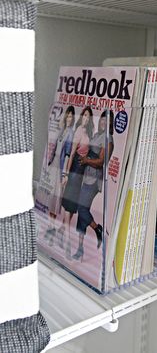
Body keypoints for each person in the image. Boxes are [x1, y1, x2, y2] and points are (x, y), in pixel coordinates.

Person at [72, 110, 114, 261]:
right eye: (102, 119)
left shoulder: (108, 139)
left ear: (111, 123)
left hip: (94, 180)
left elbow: (101, 162)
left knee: (81, 208)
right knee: (82, 212)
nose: (103, 122)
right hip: (86, 177)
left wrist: (87, 161)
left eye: (106, 120)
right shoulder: (97, 135)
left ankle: (98, 229)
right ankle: (80, 249)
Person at [60, 106, 94, 259]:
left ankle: (63, 237)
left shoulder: (88, 133)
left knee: (72, 210)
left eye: (89, 116)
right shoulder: (79, 130)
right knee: (68, 210)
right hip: (74, 172)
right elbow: (72, 153)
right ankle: (67, 244)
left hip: (80, 175)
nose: (86, 118)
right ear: (82, 117)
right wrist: (66, 174)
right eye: (85, 115)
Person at [45, 105, 75, 245]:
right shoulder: (62, 131)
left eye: (71, 116)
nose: (68, 118)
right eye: (67, 115)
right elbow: (55, 148)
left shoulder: (70, 133)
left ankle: (53, 230)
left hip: (61, 168)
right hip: (54, 165)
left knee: (56, 199)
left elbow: (68, 154)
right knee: (51, 196)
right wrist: (49, 162)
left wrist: (65, 174)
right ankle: (50, 227)